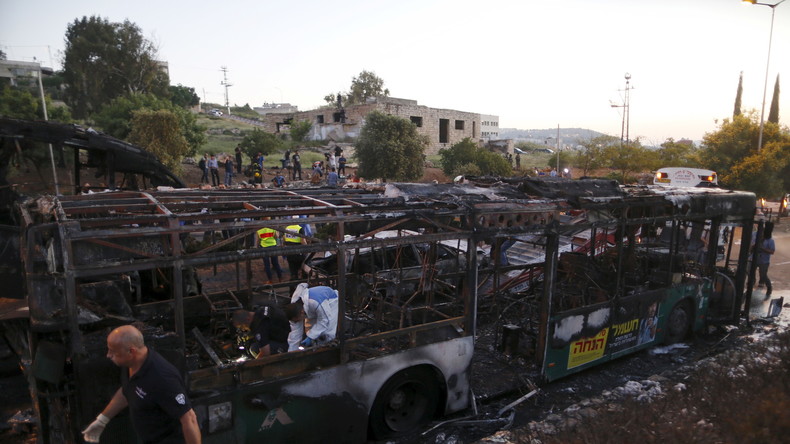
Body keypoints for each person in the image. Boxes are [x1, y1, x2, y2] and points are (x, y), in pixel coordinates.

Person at [81, 325, 201, 444]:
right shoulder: (132, 365)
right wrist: (102, 420)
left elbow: (189, 419)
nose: (108, 355)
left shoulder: (162, 378)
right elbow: (128, 390)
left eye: (113, 352)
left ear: (131, 351)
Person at [284, 283, 339, 350]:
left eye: (297, 320)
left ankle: (328, 349)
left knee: (327, 333)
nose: (297, 322)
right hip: (313, 308)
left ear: (301, 312)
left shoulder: (315, 302)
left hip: (331, 300)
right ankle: (315, 347)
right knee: (311, 330)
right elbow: (295, 332)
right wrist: (292, 351)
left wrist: (310, 337)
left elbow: (325, 320)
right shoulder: (295, 308)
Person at [283, 220, 306, 293]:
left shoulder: (287, 228)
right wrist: (307, 247)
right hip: (299, 253)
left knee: (293, 273)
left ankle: (292, 291)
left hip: (290, 253)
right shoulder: (300, 229)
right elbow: (303, 241)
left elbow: (284, 239)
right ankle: (302, 290)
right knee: (303, 271)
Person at [754, 221, 775, 296]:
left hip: (764, 261)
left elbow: (772, 251)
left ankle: (769, 287)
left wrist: (762, 248)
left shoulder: (770, 241)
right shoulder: (758, 239)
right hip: (756, 259)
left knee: (763, 275)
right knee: (751, 272)